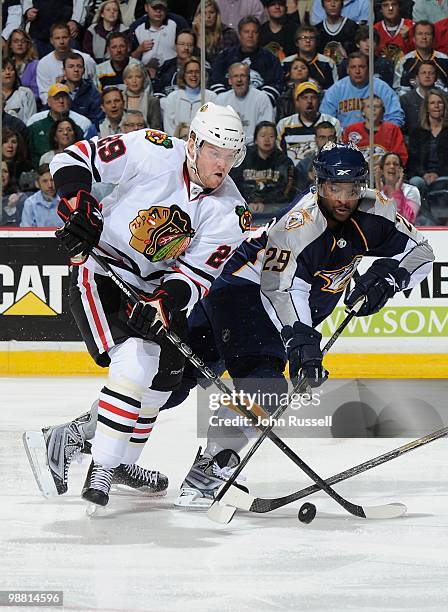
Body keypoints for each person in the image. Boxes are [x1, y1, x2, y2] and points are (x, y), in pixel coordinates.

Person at [175, 141, 434, 507]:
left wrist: (388, 278)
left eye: (351, 189)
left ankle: (90, 436)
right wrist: (300, 340)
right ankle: (208, 473)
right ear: (319, 184)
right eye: (334, 189)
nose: (344, 198)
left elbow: (421, 251)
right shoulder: (299, 224)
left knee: (172, 378)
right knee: (264, 382)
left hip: (276, 302)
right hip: (243, 290)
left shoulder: (377, 210)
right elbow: (279, 289)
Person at [24, 102, 252, 508]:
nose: (223, 164)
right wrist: (79, 205)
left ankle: (117, 458)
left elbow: (196, 277)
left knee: (164, 382)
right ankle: (103, 467)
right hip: (100, 270)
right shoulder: (152, 148)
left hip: (151, 291)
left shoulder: (231, 212)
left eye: (230, 155)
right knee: (135, 361)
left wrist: (165, 301)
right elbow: (73, 158)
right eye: (215, 152)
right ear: (193, 144)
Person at [230, 120, 298, 219]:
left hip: (274, 209)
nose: (267, 140)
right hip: (243, 206)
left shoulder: (284, 161)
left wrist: (265, 203)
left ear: (275, 140)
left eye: (271, 136)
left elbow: (287, 191)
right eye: (262, 136)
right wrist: (248, 201)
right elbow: (233, 183)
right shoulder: (242, 158)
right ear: (256, 139)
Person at [209, 16, 284, 106]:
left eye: (254, 32)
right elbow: (215, 82)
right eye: (246, 32)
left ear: (259, 34)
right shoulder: (225, 56)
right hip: (228, 107)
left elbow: (276, 85)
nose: (250, 35)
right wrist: (229, 102)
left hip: (258, 107)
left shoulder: (270, 58)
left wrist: (256, 104)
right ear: (240, 34)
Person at [320, 52, 404, 129]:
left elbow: (395, 116)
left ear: (369, 69)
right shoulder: (336, 90)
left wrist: (382, 134)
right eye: (353, 67)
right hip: (344, 140)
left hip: (375, 139)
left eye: (361, 67)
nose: (357, 71)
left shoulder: (382, 88)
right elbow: (326, 120)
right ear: (347, 70)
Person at [27, 83, 96, 168]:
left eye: (64, 97)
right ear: (48, 101)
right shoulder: (35, 122)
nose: (61, 101)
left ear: (69, 100)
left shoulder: (82, 123)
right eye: (57, 98)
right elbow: (29, 153)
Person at [277, 80, 342, 165]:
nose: (309, 101)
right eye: (305, 97)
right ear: (297, 102)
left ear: (318, 101)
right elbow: (278, 155)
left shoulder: (332, 123)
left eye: (313, 97)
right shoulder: (284, 125)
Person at [36, 22, 96, 105]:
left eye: (64, 37)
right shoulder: (44, 64)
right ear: (51, 40)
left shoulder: (86, 60)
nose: (61, 42)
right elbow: (44, 96)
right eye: (57, 38)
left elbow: (95, 86)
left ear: (71, 38)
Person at [216, 62, 274, 145]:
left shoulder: (262, 98)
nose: (239, 80)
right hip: (228, 147)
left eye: (243, 75)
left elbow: (266, 131)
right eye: (235, 76)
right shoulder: (221, 99)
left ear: (249, 79)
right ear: (229, 80)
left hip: (255, 148)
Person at [343, 95, 408, 166]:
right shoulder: (351, 130)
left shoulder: (392, 130)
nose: (373, 109)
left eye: (377, 106)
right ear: (363, 111)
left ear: (383, 111)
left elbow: (401, 157)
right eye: (368, 106)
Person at [406, 89, 448, 200]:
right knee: (415, 183)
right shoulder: (417, 131)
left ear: (444, 106)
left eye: (440, 102)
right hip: (421, 175)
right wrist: (424, 174)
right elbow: (413, 160)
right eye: (432, 103)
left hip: (445, 174)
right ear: (427, 107)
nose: (436, 106)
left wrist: (437, 174)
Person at [163, 57, 217, 136]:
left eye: (197, 72)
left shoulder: (211, 97)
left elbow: (213, 125)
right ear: (183, 75)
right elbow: (169, 127)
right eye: (190, 72)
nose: (194, 75)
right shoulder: (173, 98)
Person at [394, 20, 448, 95]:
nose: (424, 37)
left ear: (433, 38)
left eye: (428, 34)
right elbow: (398, 89)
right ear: (413, 38)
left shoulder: (445, 60)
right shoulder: (405, 61)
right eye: (420, 34)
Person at [282, 24, 338, 90]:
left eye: (311, 38)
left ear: (316, 42)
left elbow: (333, 89)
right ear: (297, 42)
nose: (308, 41)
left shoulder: (327, 63)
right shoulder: (286, 63)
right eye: (303, 37)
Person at [130, 0, 178, 72]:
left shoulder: (177, 23)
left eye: (161, 7)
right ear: (146, 7)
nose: (158, 11)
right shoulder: (136, 27)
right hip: (144, 73)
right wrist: (139, 50)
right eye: (154, 7)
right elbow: (129, 60)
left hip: (172, 72)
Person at [61, 52, 104, 128]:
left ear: (84, 70)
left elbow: (97, 121)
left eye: (79, 66)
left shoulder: (93, 93)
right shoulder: (57, 93)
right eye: (71, 66)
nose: (76, 70)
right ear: (64, 71)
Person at [375, 152, 421, 223]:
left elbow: (409, 219)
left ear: (401, 170)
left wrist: (397, 192)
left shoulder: (412, 191)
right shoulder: (377, 191)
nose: (392, 166)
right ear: (381, 170)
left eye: (395, 164)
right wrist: (378, 192)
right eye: (387, 164)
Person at [152, 30, 197, 99]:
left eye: (190, 45)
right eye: (182, 44)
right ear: (175, 46)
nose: (186, 48)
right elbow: (157, 92)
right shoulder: (166, 67)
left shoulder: (202, 67)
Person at [192, 0, 238, 66]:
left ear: (217, 14)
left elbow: (224, 61)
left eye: (211, 12)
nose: (208, 16)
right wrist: (200, 34)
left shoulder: (228, 33)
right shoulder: (193, 35)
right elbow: (197, 61)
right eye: (204, 13)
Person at [295, 120, 337, 191]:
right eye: (322, 137)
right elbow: (297, 194)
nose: (327, 142)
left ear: (335, 139)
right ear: (316, 140)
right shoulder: (304, 165)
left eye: (330, 138)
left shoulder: (346, 163)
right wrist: (309, 179)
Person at [400, 61, 439, 136]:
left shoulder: (444, 98)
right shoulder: (405, 100)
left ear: (436, 77)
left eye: (431, 73)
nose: (427, 76)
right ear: (417, 77)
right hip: (413, 143)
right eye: (423, 73)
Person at [374, 0, 414, 65]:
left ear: (399, 7)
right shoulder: (375, 29)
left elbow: (418, 53)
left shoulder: (411, 26)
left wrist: (407, 39)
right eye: (385, 5)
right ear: (381, 9)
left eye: (394, 4)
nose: (390, 8)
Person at [122, 63, 162, 129]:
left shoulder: (152, 101)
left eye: (138, 77)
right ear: (125, 81)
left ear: (144, 80)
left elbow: (156, 128)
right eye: (130, 77)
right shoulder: (118, 99)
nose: (134, 81)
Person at [275, 57, 313, 121]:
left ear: (308, 72)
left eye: (303, 68)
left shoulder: (318, 95)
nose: (299, 70)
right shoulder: (283, 99)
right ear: (290, 74)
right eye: (295, 68)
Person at [7, 29, 39, 100]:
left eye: (23, 41)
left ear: (28, 44)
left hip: (29, 103)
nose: (19, 44)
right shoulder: (5, 64)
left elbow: (36, 92)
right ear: (10, 45)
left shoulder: (35, 65)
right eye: (16, 41)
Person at [2, 57, 37, 123]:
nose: (7, 72)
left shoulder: (26, 93)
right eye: (2, 70)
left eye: (11, 69)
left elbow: (32, 120)